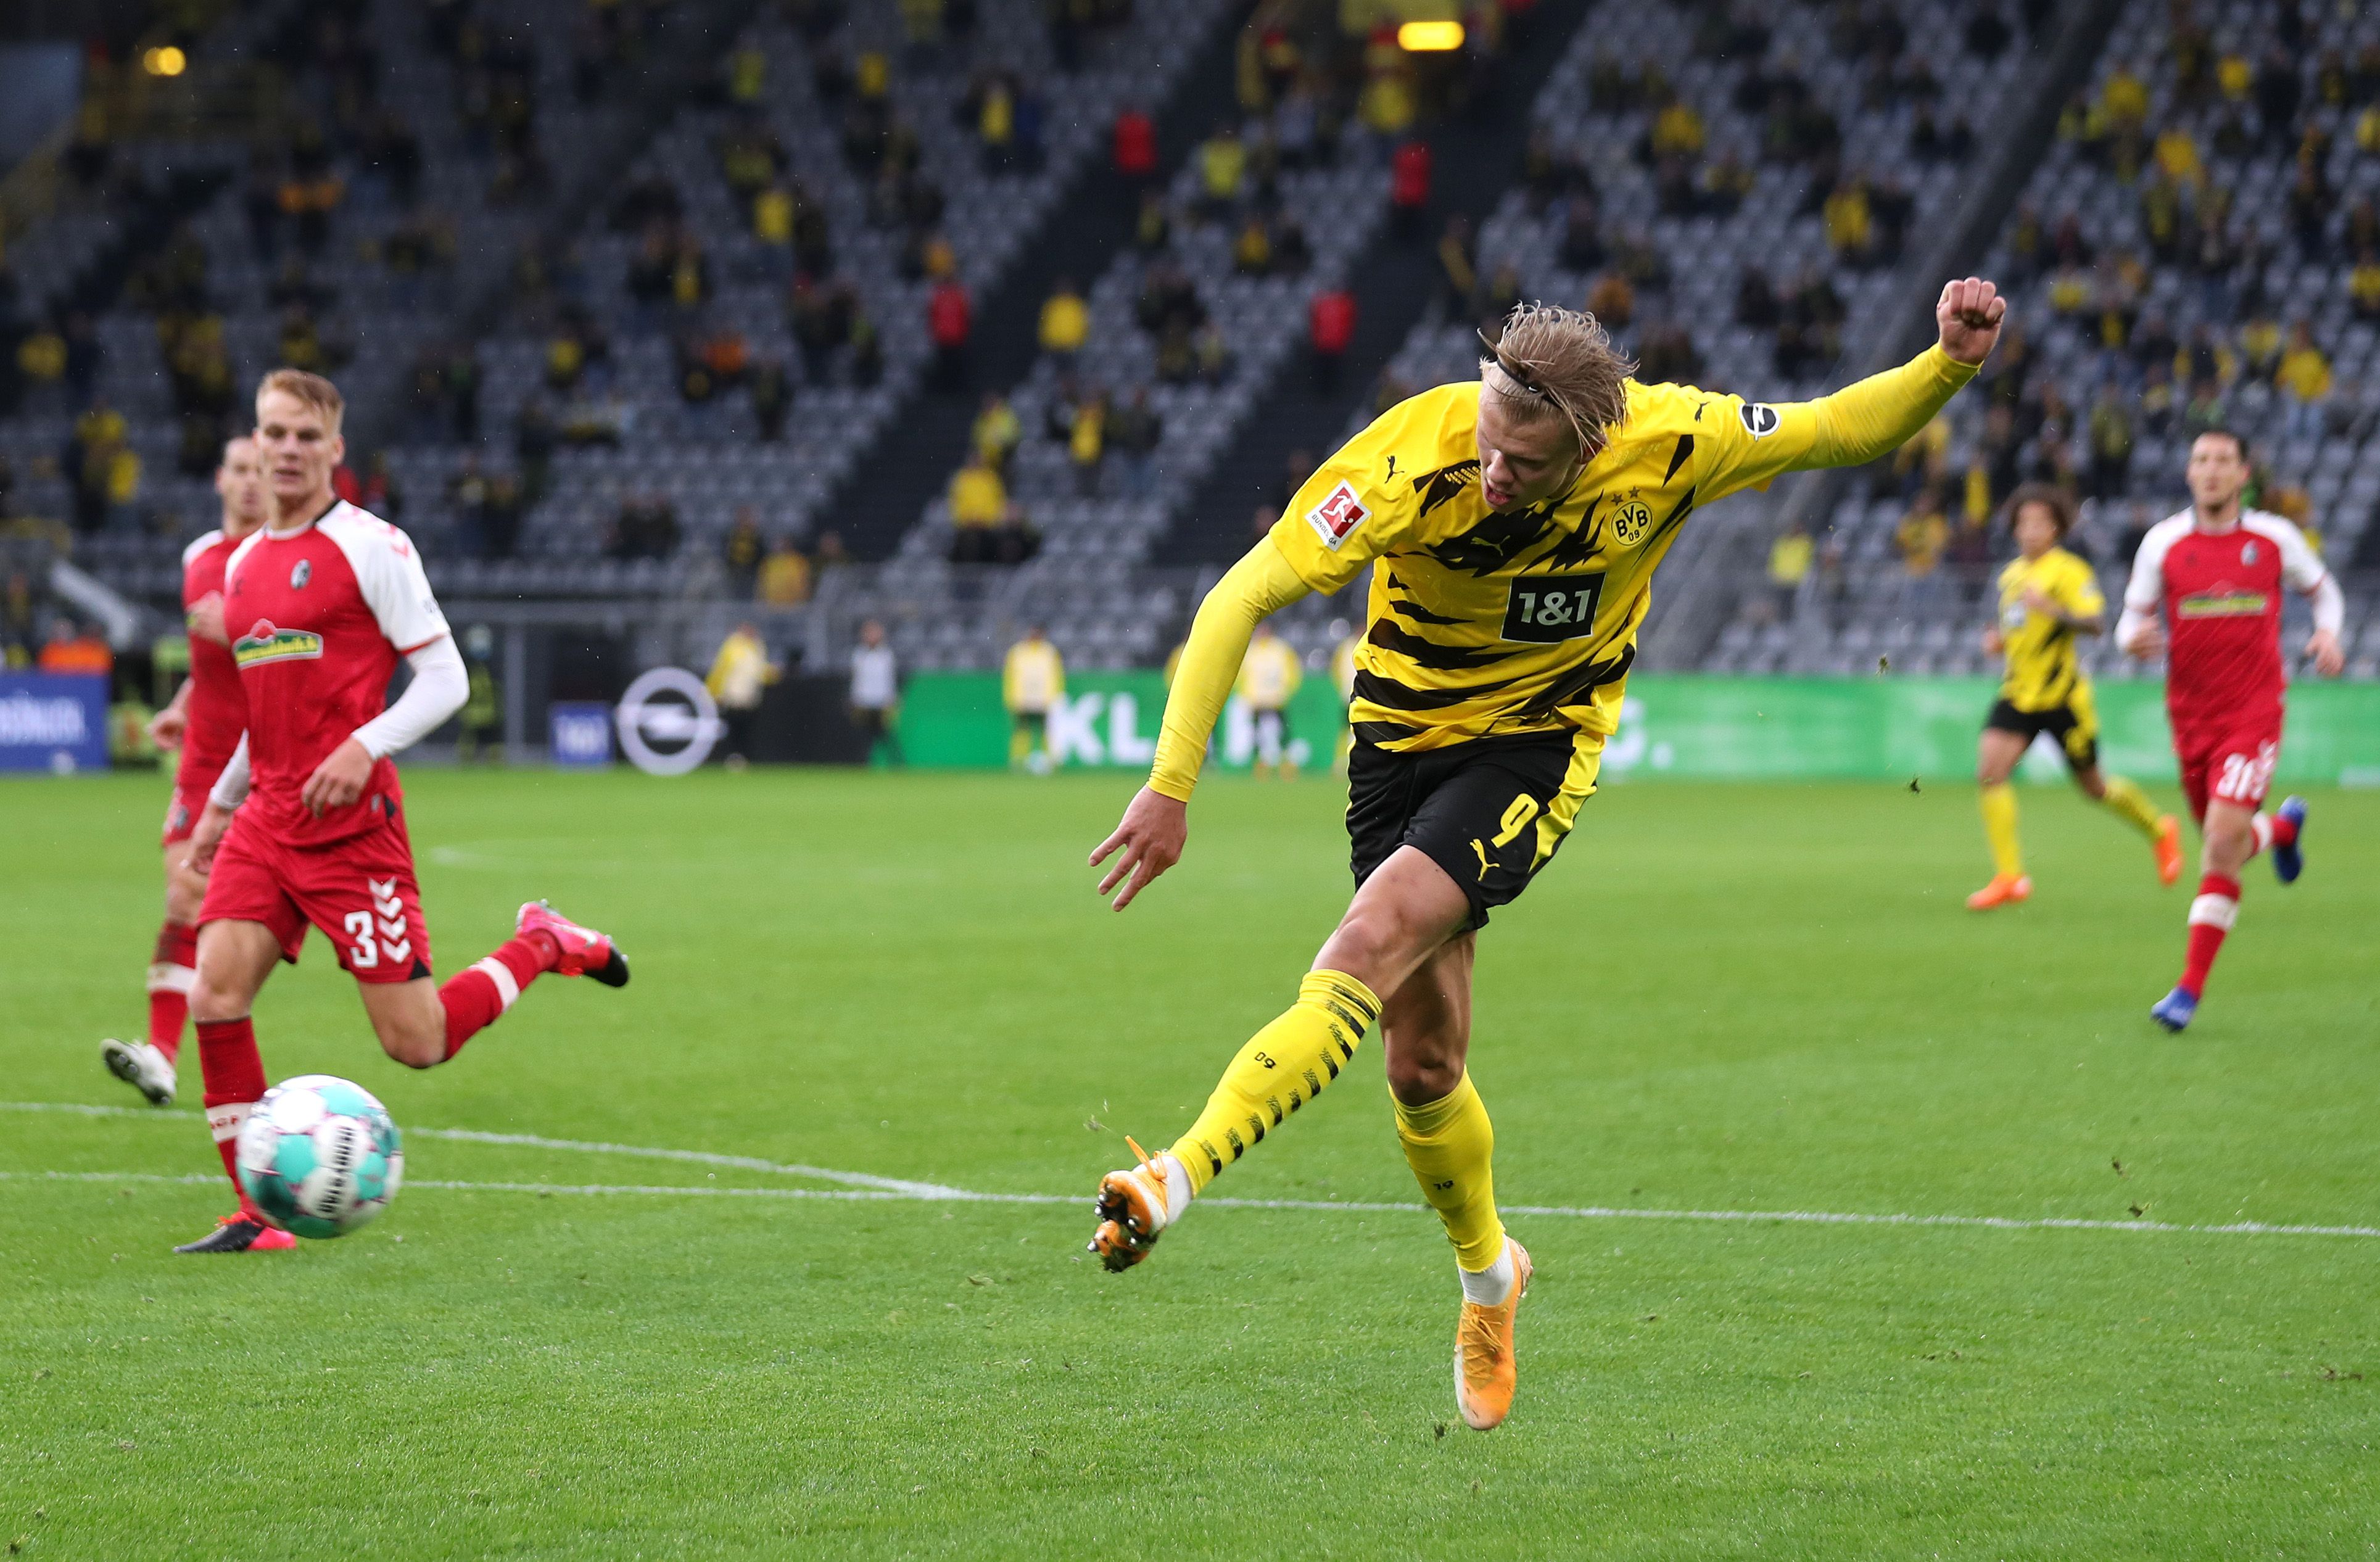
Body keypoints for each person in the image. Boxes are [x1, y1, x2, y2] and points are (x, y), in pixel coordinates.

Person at [1084, 282, 2007, 1431]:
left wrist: (1946, 366)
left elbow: (1835, 427)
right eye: (1487, 440)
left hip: (1533, 746)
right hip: (1395, 744)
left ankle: (1170, 1178)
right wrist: (1171, 785)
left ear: (1590, 443)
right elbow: (1239, 596)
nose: (1494, 471)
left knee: (1363, 946)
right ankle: (1490, 1276)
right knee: (1421, 1068)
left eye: (1522, 461)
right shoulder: (1405, 459)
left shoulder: (1669, 442)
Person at [178, 370, 630, 1255]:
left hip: (352, 834)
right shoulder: (240, 566)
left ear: (336, 449)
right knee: (216, 994)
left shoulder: (372, 547)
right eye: (275, 433)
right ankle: (256, 1216)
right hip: (268, 819)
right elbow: (261, 711)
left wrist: (366, 744)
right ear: (256, 443)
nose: (289, 450)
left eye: (308, 436)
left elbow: (448, 680)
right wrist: (220, 803)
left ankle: (541, 941)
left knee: (416, 1044)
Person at [2117, 429, 2344, 1033]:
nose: (2211, 470)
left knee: (2219, 843)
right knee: (2230, 845)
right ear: (2189, 473)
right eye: (2201, 460)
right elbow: (2130, 622)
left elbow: (2325, 594)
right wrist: (2130, 641)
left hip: (2254, 713)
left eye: (2223, 460)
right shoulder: (2163, 543)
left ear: (2244, 473)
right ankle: (2284, 828)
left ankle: (2186, 992)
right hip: (2190, 719)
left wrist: (2327, 633)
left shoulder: (2273, 538)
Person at [101, 437, 272, 1110]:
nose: (252, 483)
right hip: (204, 761)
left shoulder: (282, 561)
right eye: (240, 470)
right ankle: (162, 1057)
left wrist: (236, 626)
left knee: (244, 931)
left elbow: (264, 646)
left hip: (269, 762)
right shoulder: (199, 556)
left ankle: (223, 1044)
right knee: (184, 897)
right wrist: (179, 705)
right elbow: (215, 665)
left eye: (262, 472)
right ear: (220, 479)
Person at [1965, 484, 2181, 911]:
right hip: (2019, 692)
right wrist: (1999, 643)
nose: (2030, 531)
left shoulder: (2069, 572)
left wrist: (2052, 608)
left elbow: (2096, 624)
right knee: (1990, 772)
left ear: (2056, 529)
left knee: (2095, 787)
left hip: (2064, 697)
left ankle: (2160, 830)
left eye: (2039, 523)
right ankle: (2010, 876)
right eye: (2023, 523)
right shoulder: (2010, 577)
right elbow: (2019, 630)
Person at [706, 620, 779, 769]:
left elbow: (758, 672)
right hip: (734, 696)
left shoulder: (757, 647)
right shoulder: (732, 647)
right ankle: (734, 757)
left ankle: (744, 757)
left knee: (747, 729)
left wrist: (773, 674)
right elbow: (721, 670)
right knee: (734, 728)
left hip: (750, 697)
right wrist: (713, 691)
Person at [1236, 621, 1302, 779]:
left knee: (1283, 734)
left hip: (1276, 700)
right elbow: (1241, 675)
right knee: (1257, 734)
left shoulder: (1281, 649)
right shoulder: (1251, 651)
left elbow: (1293, 671)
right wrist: (1246, 694)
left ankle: (1286, 765)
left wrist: (1287, 692)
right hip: (1257, 701)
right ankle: (1261, 766)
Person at [1002, 624, 1063, 773]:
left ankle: (1051, 761)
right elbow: (1010, 676)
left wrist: (1056, 696)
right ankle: (1018, 761)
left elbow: (1057, 675)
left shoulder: (1049, 652)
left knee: (1045, 731)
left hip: (1043, 700)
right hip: (1023, 699)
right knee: (1022, 730)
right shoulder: (1017, 652)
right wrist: (1010, 697)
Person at [848, 618, 901, 766]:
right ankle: (862, 765)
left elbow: (889, 679)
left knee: (887, 736)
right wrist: (855, 699)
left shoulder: (886, 655)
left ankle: (896, 765)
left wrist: (891, 699)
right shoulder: (859, 654)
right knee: (864, 737)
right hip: (864, 702)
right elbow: (857, 679)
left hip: (881, 702)